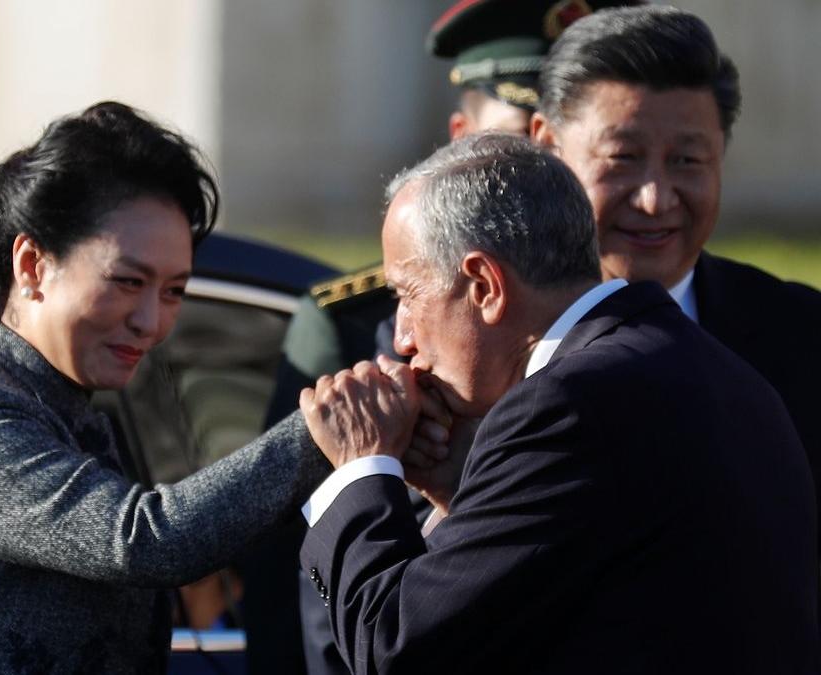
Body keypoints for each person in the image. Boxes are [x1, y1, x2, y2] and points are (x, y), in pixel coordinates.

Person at [299, 133, 820, 674]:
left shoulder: (570, 405)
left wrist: (360, 466)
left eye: (408, 295)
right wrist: (463, 492)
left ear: (484, 286)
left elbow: (396, 650)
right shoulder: (699, 365)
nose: (402, 339)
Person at [0, 101, 331, 674]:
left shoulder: (62, 403)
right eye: (127, 282)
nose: (151, 322)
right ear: (33, 264)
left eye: (173, 292)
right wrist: (325, 430)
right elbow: (144, 540)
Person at [254, 2, 636, 671]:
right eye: (520, 146)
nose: (542, 177)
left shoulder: (576, 392)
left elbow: (405, 642)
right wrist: (450, 489)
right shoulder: (368, 328)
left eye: (561, 150)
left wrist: (365, 469)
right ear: (460, 139)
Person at [529, 5, 821, 550]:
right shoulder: (466, 338)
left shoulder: (802, 338)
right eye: (623, 157)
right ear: (547, 147)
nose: (655, 199)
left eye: (687, 161)